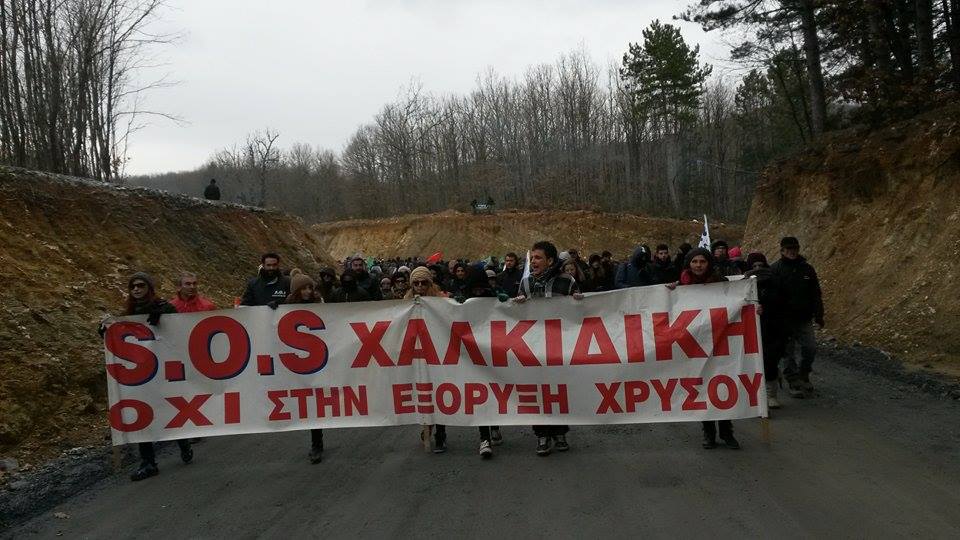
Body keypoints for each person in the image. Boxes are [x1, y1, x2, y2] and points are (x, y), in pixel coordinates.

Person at [115, 272, 193, 481]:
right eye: (133, 286)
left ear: (149, 288)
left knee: (171, 410)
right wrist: (106, 330)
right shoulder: (128, 313)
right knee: (142, 415)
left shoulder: (164, 307)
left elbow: (179, 330)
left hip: (164, 370)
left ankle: (183, 442)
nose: (136, 289)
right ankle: (148, 462)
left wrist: (164, 318)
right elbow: (119, 337)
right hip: (141, 373)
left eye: (141, 285)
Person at [666, 248, 741, 450]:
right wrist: (669, 293)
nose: (698, 265)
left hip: (720, 342)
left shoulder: (721, 283)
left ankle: (726, 432)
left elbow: (738, 303)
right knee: (702, 386)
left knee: (722, 386)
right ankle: (709, 433)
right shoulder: (682, 286)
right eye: (694, 262)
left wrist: (753, 309)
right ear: (688, 264)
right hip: (695, 345)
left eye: (702, 261)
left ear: (709, 263)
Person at [514, 240, 582, 456]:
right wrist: (517, 304)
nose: (533, 261)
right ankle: (542, 434)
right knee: (539, 391)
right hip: (534, 347)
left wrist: (579, 301)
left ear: (550, 260)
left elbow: (581, 312)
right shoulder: (526, 283)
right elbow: (518, 315)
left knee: (559, 390)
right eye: (532, 258)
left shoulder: (567, 281)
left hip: (560, 346)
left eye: (538, 258)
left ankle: (560, 432)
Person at [770, 237, 824, 398]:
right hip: (784, 320)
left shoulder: (807, 269)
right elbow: (771, 295)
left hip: (804, 318)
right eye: (788, 249)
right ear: (782, 251)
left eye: (794, 248)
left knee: (810, 348)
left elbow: (816, 294)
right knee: (788, 352)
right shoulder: (775, 270)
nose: (792, 251)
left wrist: (819, 315)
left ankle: (804, 373)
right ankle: (793, 381)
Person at [405, 267, 450, 453]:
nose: (420, 286)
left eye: (424, 282)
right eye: (416, 283)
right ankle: (428, 426)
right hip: (418, 357)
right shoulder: (405, 304)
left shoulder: (441, 302)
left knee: (439, 395)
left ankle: (441, 434)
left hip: (438, 355)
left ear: (430, 284)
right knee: (424, 396)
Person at [284, 269, 326, 463]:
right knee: (306, 402)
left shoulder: (319, 304)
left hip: (318, 360)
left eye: (310, 287)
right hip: (297, 362)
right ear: (296, 291)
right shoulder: (285, 308)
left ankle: (317, 443)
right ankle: (316, 443)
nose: (308, 291)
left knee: (316, 402)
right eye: (304, 288)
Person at [744, 252, 785, 409]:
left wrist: (765, 308)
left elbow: (781, 303)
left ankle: (771, 394)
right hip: (750, 329)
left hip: (771, 328)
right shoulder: (743, 283)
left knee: (769, 361)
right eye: (754, 266)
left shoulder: (775, 281)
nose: (757, 269)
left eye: (760, 265)